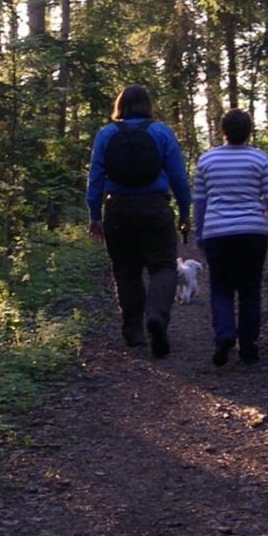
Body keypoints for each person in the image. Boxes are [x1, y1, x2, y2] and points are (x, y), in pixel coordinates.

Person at [86, 84, 191, 358]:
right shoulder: (161, 132)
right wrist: (185, 211)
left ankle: (134, 332)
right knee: (163, 266)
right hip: (155, 207)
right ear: (148, 105)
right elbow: (178, 175)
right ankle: (156, 316)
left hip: (118, 209)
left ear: (120, 105)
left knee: (126, 270)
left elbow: (95, 176)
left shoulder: (106, 134)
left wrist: (94, 214)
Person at [192, 108, 268, 367]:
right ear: (249, 131)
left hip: (217, 233)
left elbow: (199, 202)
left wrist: (199, 233)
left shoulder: (206, 160)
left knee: (221, 288)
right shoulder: (260, 159)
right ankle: (249, 349)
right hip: (253, 232)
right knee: (249, 289)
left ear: (223, 131)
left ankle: (224, 334)